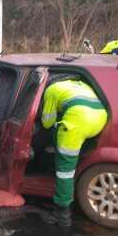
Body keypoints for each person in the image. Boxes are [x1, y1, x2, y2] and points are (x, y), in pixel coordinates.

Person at [41, 75, 108, 226]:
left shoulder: (51, 90)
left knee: (65, 171)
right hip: (99, 121)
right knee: (69, 156)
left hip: (77, 124)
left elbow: (47, 122)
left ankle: (62, 213)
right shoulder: (80, 85)